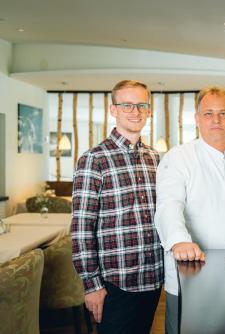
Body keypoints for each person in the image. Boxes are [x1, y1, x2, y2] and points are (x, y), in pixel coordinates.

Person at [155, 86, 225, 333]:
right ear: (196, 119)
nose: (216, 120)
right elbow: (168, 205)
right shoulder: (178, 158)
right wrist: (179, 242)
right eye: (208, 113)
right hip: (193, 272)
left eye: (223, 113)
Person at [71, 80, 164, 334]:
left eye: (141, 105)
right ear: (113, 110)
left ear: (149, 109)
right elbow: (81, 228)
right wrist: (91, 285)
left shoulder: (156, 159)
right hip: (114, 282)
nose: (135, 111)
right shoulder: (94, 159)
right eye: (127, 105)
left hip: (153, 276)